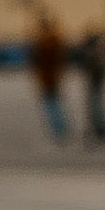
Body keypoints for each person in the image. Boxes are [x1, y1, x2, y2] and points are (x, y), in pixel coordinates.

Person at [27, 7, 70, 142]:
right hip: (52, 77)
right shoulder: (53, 40)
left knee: (52, 105)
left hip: (49, 78)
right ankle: (60, 129)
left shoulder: (46, 42)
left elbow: (38, 57)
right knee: (54, 104)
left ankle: (59, 130)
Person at [76, 25, 105, 146]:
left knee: (96, 106)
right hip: (96, 81)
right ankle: (99, 129)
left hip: (96, 81)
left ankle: (101, 130)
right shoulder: (100, 49)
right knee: (95, 105)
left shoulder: (98, 50)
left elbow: (98, 66)